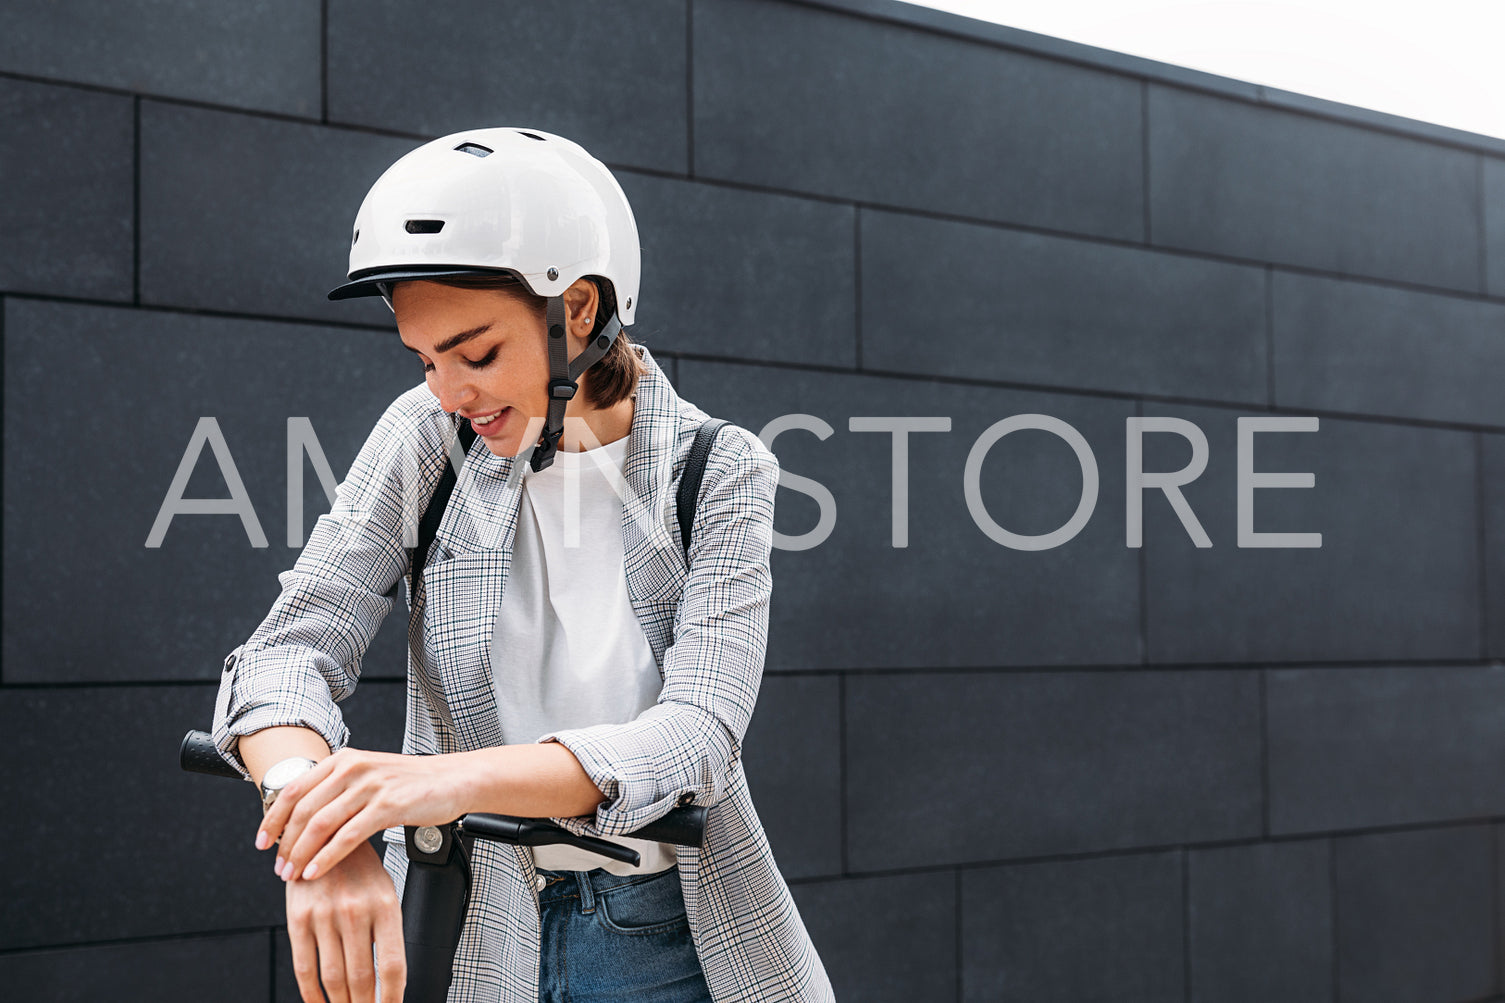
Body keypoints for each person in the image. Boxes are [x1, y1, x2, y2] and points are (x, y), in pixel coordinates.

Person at [210, 128, 834, 1003]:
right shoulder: (427, 437)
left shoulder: (720, 469)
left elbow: (694, 735)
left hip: (663, 934)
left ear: (578, 309)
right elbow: (284, 653)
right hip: (467, 920)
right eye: (424, 360)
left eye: (476, 353)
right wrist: (323, 822)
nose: (448, 391)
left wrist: (423, 784)